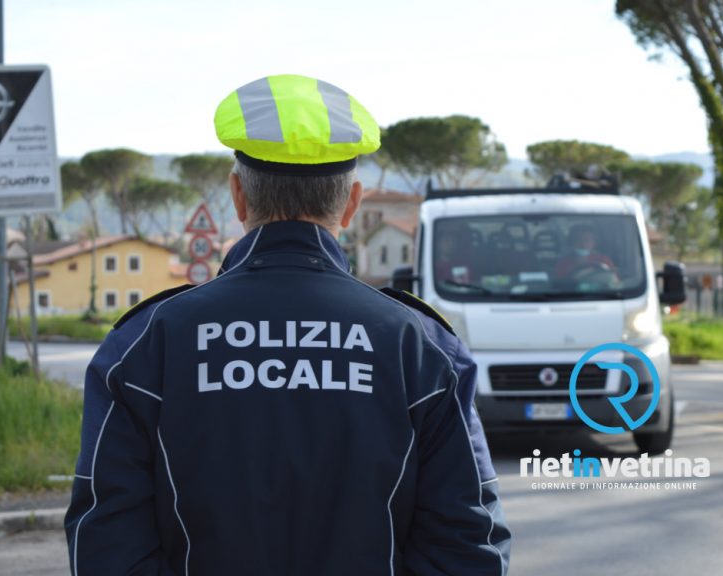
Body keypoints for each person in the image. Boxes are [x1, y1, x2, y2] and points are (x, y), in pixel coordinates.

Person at [65, 74, 511, 575]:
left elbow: (104, 545)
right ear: (351, 202)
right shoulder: (424, 348)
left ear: (237, 195)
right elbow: (470, 548)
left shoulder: (144, 345)